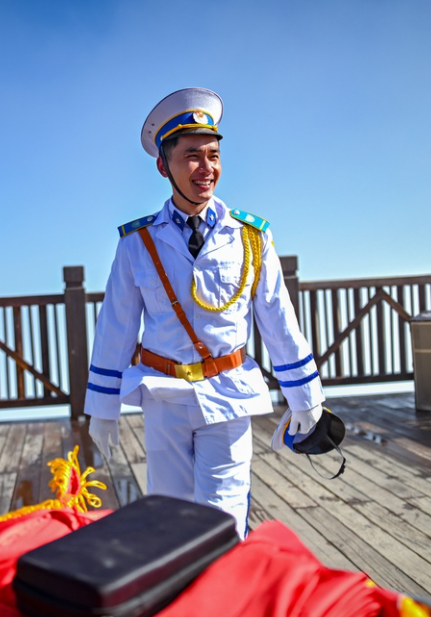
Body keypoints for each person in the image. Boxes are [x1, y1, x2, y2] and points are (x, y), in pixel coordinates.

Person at [83, 87, 325, 537]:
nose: (206, 168)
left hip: (229, 393)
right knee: (169, 522)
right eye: (192, 155)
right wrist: (102, 408)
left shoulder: (252, 237)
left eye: (213, 155)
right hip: (164, 396)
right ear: (163, 165)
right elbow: (115, 328)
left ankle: (223, 606)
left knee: (224, 520)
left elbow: (277, 319)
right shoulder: (137, 243)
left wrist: (306, 399)